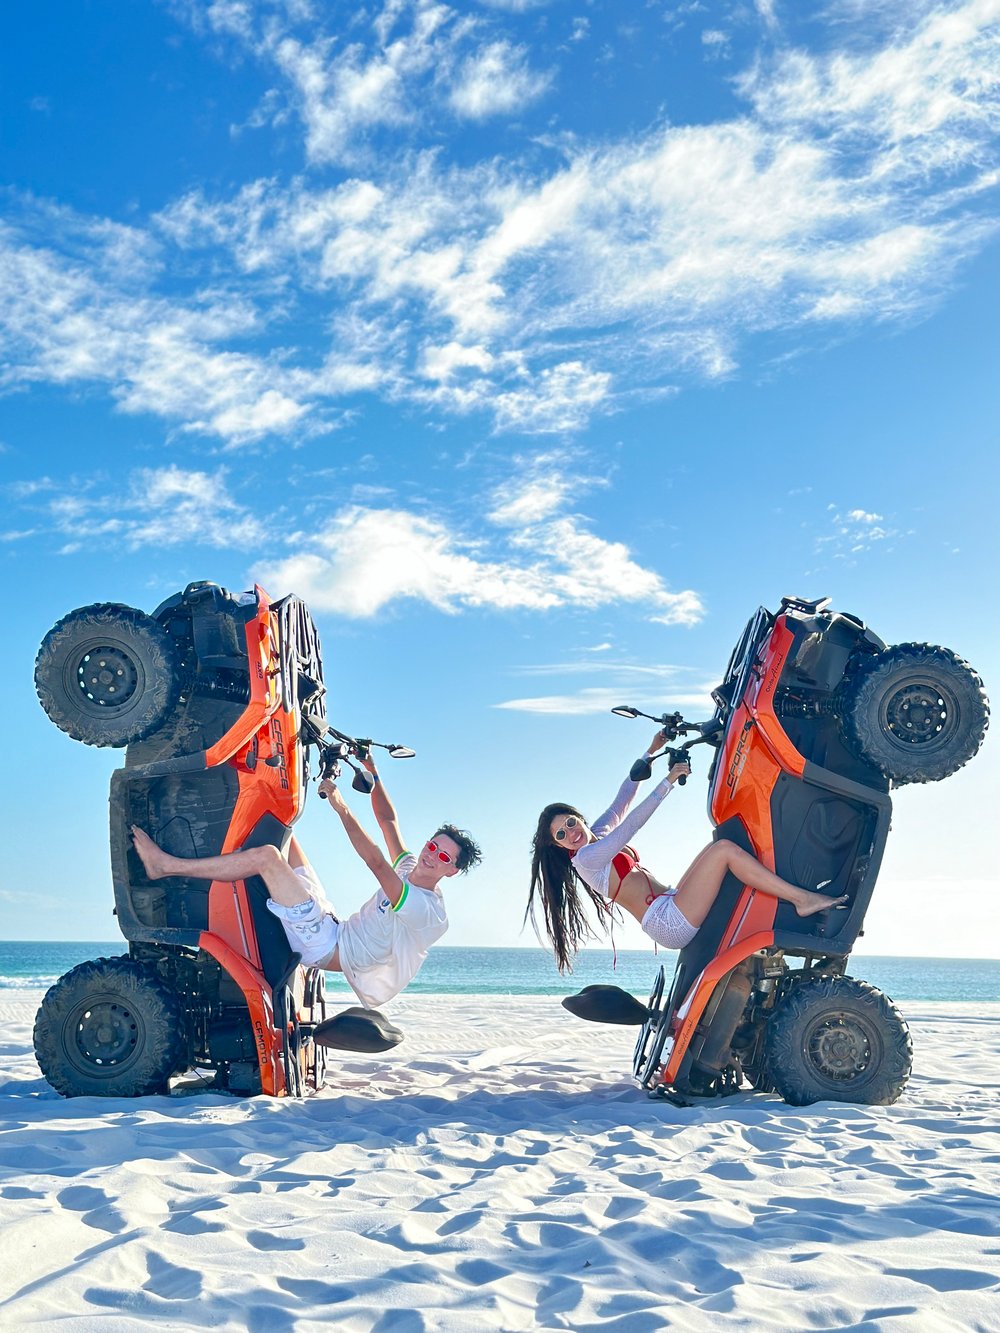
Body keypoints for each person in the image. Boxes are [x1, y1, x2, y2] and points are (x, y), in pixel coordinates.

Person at [131, 754, 481, 1009]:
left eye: (444, 857)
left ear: (451, 872)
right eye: (433, 846)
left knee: (268, 856)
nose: (433, 855)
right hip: (331, 922)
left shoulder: (425, 909)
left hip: (325, 946)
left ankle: (166, 866)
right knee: (284, 831)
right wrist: (374, 774)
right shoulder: (410, 868)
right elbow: (388, 822)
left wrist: (341, 806)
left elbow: (375, 862)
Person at [526, 730, 848, 972]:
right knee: (723, 851)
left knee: (718, 846)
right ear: (557, 845)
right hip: (666, 921)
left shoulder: (595, 834)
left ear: (578, 817)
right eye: (561, 834)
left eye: (570, 822)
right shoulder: (585, 859)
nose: (571, 833)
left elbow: (622, 799)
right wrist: (668, 780)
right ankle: (801, 900)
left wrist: (651, 750)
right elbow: (631, 825)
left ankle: (782, 902)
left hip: (670, 901)